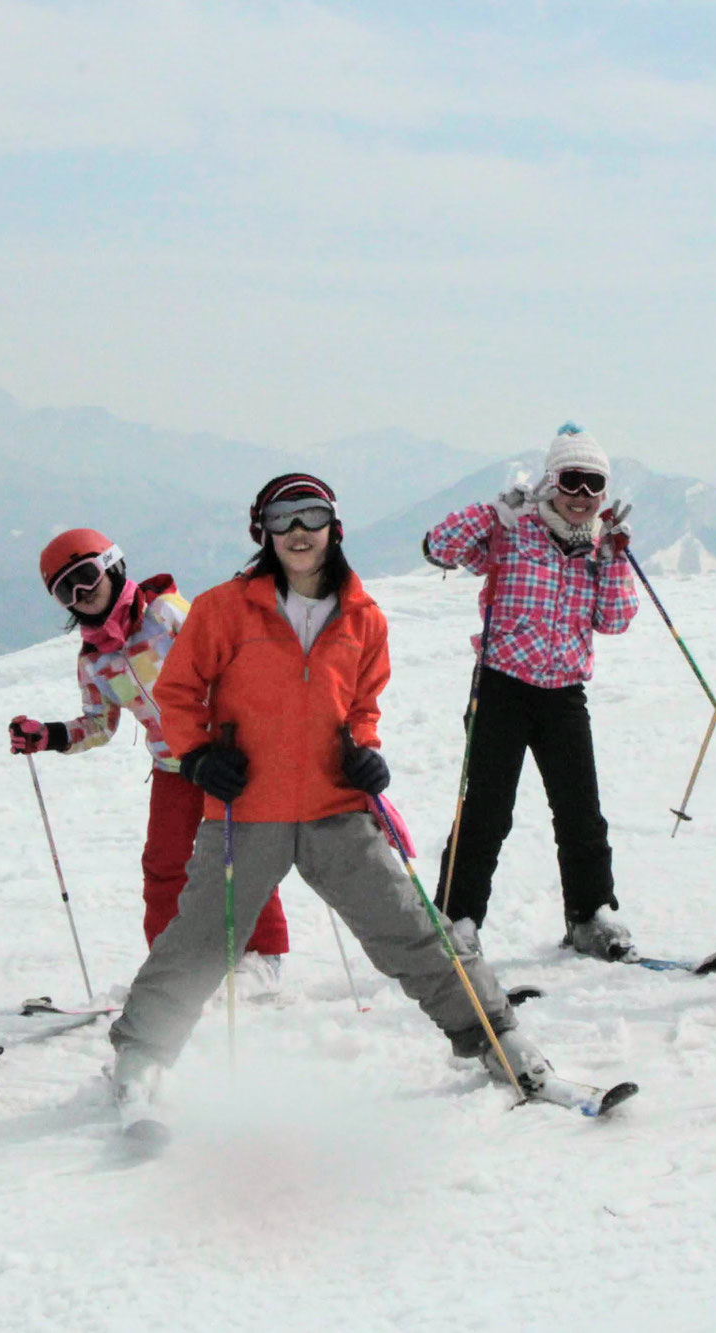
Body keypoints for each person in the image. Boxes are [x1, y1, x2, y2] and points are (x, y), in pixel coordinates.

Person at [108, 473, 591, 1137]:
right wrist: (196, 758)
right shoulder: (224, 610)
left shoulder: (362, 617)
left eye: (312, 515)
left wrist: (365, 752)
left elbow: (361, 706)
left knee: (416, 930)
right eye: (283, 518)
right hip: (249, 810)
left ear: (334, 527)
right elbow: (181, 692)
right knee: (199, 941)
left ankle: (503, 1041)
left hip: (336, 808)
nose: (298, 530)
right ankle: (139, 1064)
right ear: (264, 531)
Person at [8, 529, 288, 992]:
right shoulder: (94, 660)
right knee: (164, 865)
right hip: (173, 768)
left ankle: (263, 958)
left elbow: (228, 661)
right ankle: (171, 966)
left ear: (113, 566)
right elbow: (99, 725)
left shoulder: (167, 614)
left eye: (86, 576)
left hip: (224, 756)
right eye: (66, 590)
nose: (82, 593)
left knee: (241, 857)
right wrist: (50, 737)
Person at [419, 423, 640, 962]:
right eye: (572, 481)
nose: (582, 497)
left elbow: (614, 620)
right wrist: (492, 512)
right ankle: (457, 919)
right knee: (486, 811)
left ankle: (590, 916)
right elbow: (438, 548)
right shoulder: (513, 534)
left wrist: (613, 558)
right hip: (500, 688)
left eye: (595, 485)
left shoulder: (599, 551)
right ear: (551, 481)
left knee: (580, 810)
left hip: (564, 694)